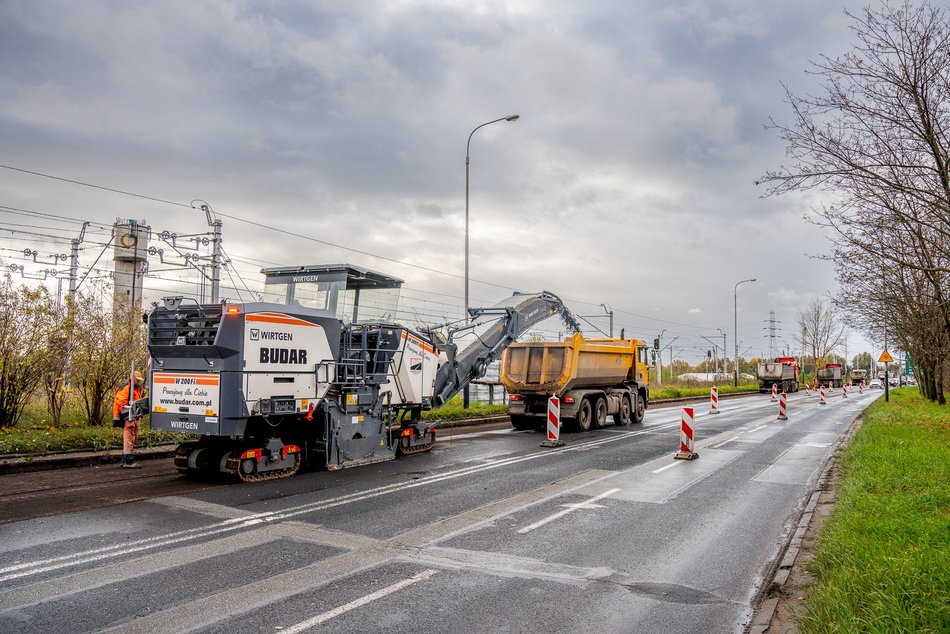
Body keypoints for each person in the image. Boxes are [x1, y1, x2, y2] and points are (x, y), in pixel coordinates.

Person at [113, 370, 145, 469]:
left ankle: (126, 460)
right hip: (128, 416)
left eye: (140, 380)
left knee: (133, 438)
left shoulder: (136, 388)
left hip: (134, 415)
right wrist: (128, 415)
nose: (139, 382)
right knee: (129, 438)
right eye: (137, 380)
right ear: (132, 378)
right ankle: (128, 460)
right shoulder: (127, 387)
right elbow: (121, 402)